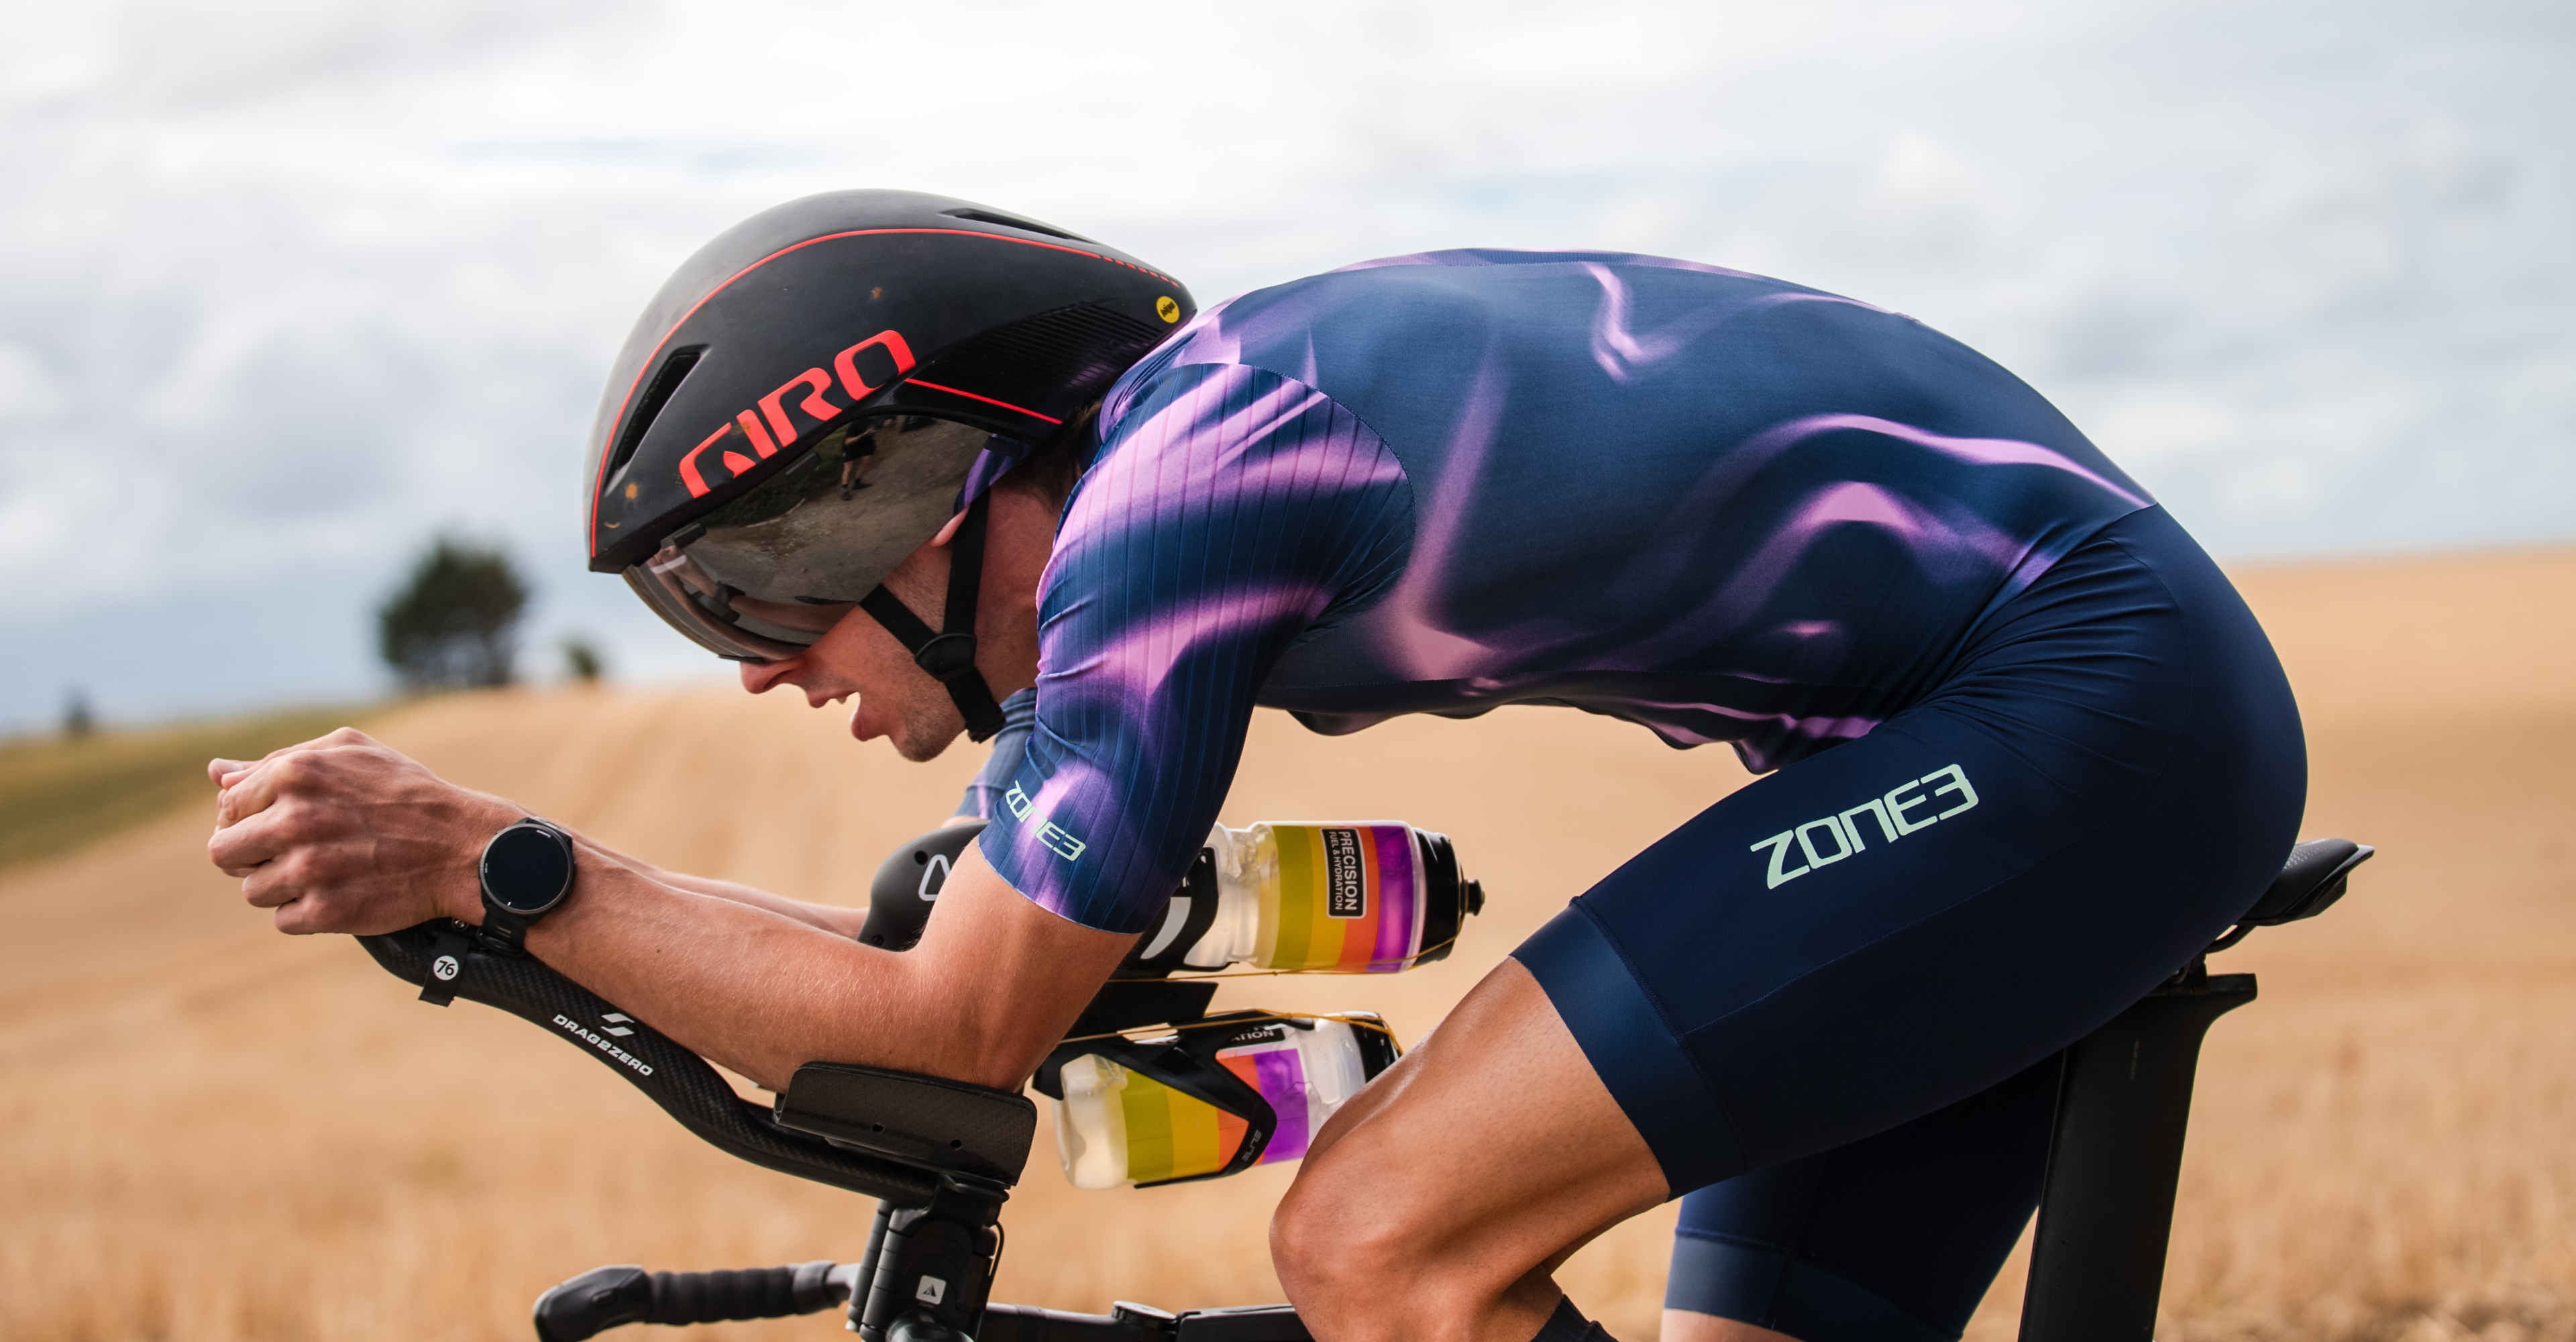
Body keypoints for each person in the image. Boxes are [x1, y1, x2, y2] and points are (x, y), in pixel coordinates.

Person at [205, 190, 2305, 1342]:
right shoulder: (1194, 448)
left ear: (911, 490)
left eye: (753, 592)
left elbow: (951, 1036)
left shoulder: (1182, 496)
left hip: (2083, 716)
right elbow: (924, 979)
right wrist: (537, 880)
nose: (758, 673)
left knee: (1381, 1238)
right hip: (2010, 734)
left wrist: (502, 865)